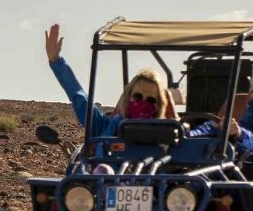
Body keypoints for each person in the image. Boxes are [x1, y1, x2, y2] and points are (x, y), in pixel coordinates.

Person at [45, 23, 175, 137]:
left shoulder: (169, 137)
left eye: (151, 100)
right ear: (128, 97)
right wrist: (56, 62)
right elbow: (80, 98)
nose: (143, 104)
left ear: (159, 106)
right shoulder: (106, 128)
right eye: (137, 97)